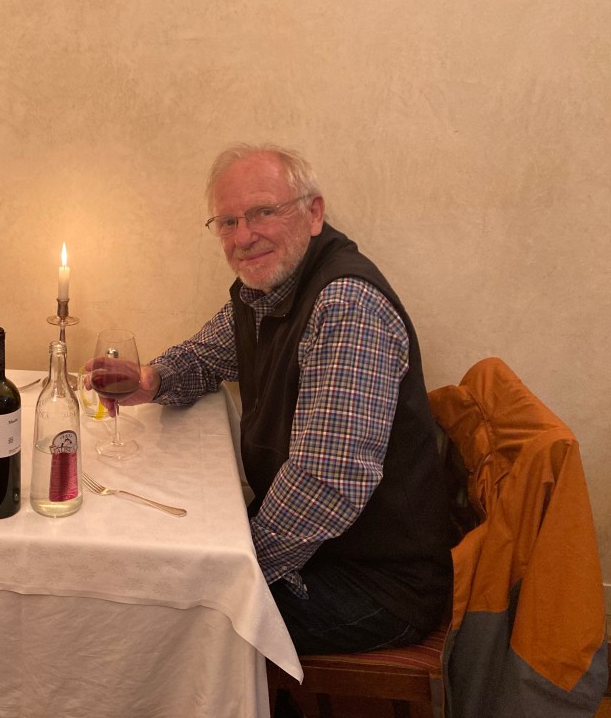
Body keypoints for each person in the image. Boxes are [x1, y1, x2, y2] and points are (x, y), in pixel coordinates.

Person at [101, 144, 454, 659]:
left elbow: (325, 483)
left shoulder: (345, 306)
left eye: (264, 212)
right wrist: (152, 380)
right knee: (149, 561)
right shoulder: (266, 291)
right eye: (228, 222)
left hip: (376, 581)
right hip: (318, 546)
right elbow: (204, 357)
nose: (244, 236)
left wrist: (231, 568)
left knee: (161, 616)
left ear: (313, 213)